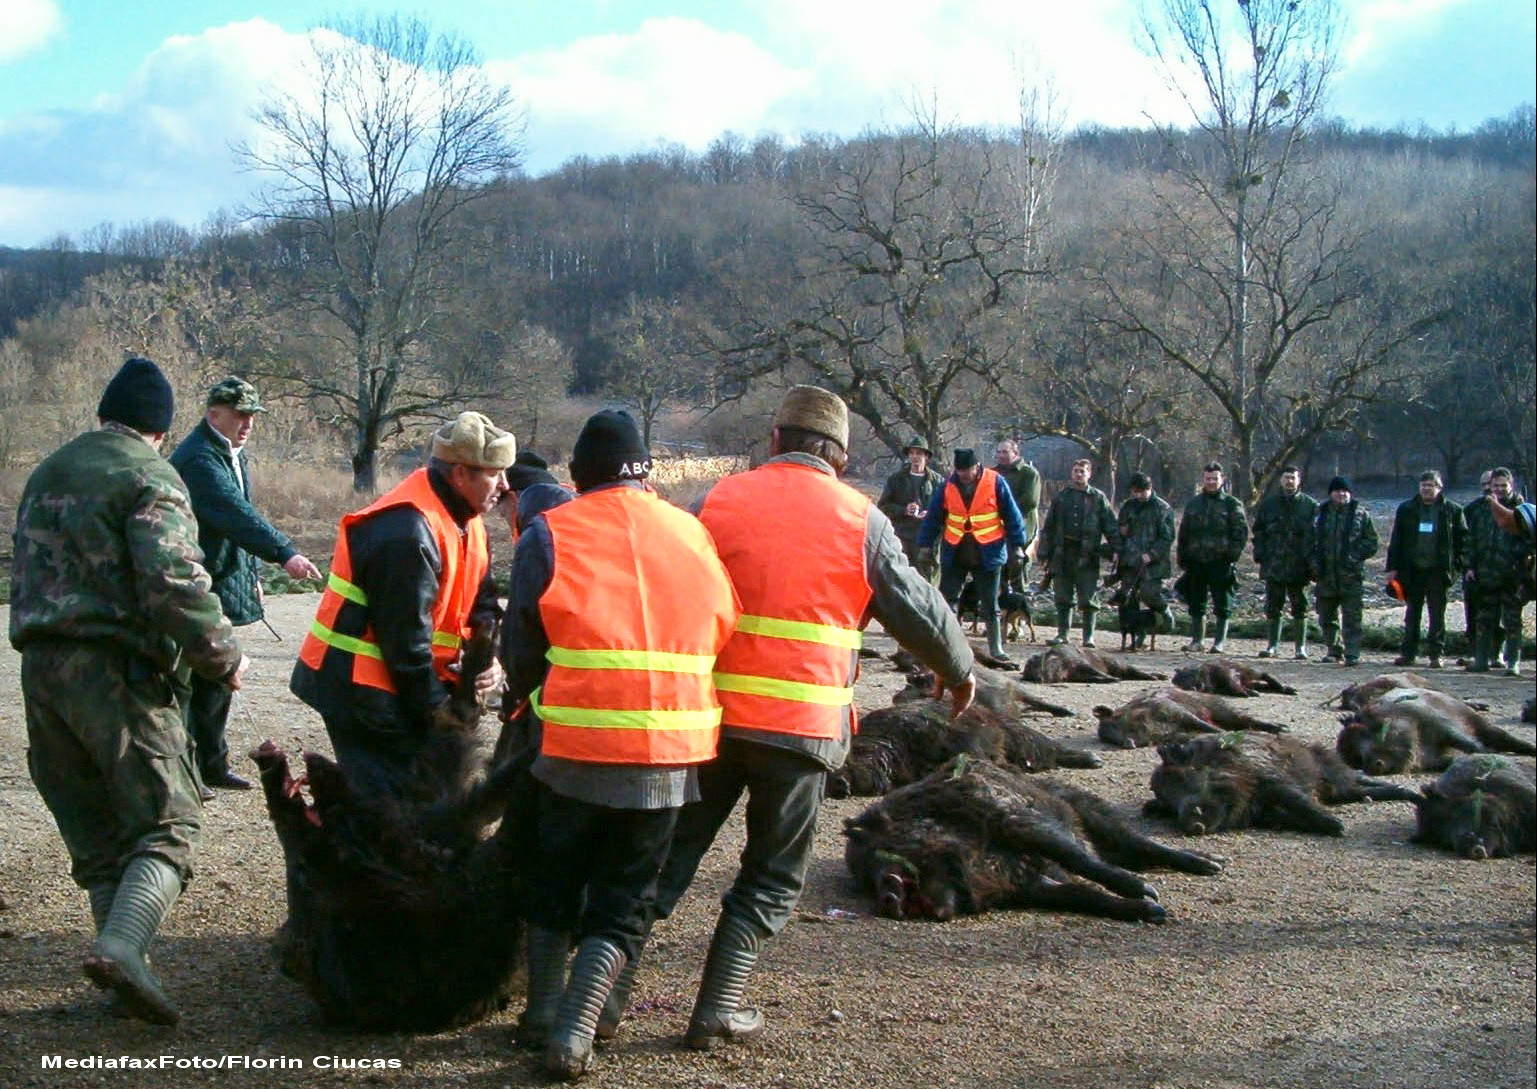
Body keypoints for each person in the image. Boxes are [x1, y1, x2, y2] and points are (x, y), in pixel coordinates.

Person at [603, 386, 975, 1054]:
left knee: (662, 861)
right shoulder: (862, 519)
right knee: (770, 874)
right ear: (838, 454)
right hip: (800, 730)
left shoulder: (717, 499)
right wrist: (958, 668)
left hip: (706, 720)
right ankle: (717, 1008)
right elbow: (918, 608)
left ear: (774, 441)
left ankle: (596, 1004)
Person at [501, 409, 741, 1080]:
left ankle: (544, 1011)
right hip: (668, 753)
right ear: (647, 473)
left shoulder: (551, 529)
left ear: (577, 476)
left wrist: (530, 697)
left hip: (573, 748)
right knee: (626, 894)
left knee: (554, 876)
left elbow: (521, 644)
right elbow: (723, 621)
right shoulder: (692, 533)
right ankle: (577, 1031)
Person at [8, 357, 249, 1025]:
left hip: (41, 671)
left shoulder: (49, 469)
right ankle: (122, 943)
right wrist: (222, 657)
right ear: (162, 431)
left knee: (101, 839)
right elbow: (172, 581)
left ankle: (120, 972)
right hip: (116, 673)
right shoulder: (150, 476)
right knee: (168, 824)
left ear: (104, 414)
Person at [290, 411, 512, 799]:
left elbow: (485, 603)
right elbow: (405, 644)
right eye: (495, 473)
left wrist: (489, 658)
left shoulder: (465, 518)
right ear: (460, 474)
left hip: (394, 682)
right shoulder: (406, 532)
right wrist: (439, 715)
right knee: (391, 811)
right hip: (362, 689)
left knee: (409, 805)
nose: (505, 486)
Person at [168, 377, 321, 794]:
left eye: (252, 415)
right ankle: (189, 772)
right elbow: (233, 515)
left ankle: (210, 766)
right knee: (188, 682)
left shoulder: (232, 453)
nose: (248, 422)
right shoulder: (200, 459)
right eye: (240, 414)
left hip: (216, 578)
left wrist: (251, 576)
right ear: (212, 413)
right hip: (194, 584)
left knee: (214, 680)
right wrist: (284, 552)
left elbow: (238, 519)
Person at [915, 447, 1030, 663]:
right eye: (960, 472)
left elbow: (1012, 515)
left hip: (989, 552)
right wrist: (925, 545)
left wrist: (1018, 546)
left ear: (977, 467)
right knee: (948, 600)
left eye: (967, 471)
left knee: (990, 603)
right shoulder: (947, 485)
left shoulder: (995, 482)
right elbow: (933, 517)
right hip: (955, 551)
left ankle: (996, 648)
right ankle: (946, 645)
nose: (964, 476)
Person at [1385, 470, 1467, 669]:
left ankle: (1435, 655)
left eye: (1431, 485)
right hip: (1412, 570)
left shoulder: (1453, 511)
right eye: (1424, 485)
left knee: (1437, 615)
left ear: (1439, 488)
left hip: (1438, 571)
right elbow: (1396, 540)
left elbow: (1463, 541)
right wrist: (1392, 568)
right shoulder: (1406, 509)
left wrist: (1456, 567)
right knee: (1412, 613)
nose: (1427, 489)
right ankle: (1408, 653)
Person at [1038, 458, 1118, 647]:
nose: (1078, 474)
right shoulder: (1061, 497)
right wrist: (1043, 553)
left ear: (1089, 474)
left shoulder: (1098, 498)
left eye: (1082, 471)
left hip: (1088, 554)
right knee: (1062, 596)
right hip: (1062, 553)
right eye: (1075, 470)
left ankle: (1088, 637)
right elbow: (1049, 526)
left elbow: (1111, 526)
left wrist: (1116, 549)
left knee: (1088, 597)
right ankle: (1062, 634)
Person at [1463, 467, 1531, 675]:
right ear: (1490, 486)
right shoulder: (1481, 509)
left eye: (1504, 485)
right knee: (1483, 619)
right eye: (1496, 486)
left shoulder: (1522, 509)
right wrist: (1469, 566)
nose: (1500, 489)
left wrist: (1521, 565)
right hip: (1486, 573)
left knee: (1512, 620)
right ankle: (1481, 660)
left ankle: (1513, 663)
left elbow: (1529, 541)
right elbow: (1470, 540)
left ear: (1511, 486)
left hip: (1512, 574)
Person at [1176, 461, 1249, 653]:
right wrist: (1182, 557)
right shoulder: (1194, 504)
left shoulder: (1232, 504)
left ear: (1222, 480)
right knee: (1196, 603)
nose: (1211, 482)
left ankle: (1219, 642)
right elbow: (1184, 532)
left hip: (1221, 562)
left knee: (1222, 603)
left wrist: (1231, 556)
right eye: (1207, 479)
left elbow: (1241, 532)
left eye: (1214, 479)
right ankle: (1197, 641)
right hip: (1196, 561)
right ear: (1203, 480)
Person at [1250, 465, 1319, 659]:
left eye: (1293, 478)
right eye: (1286, 477)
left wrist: (1312, 563)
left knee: (1301, 607)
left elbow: (1316, 536)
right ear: (1281, 480)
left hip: (1300, 565)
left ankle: (1300, 648)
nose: (1289, 481)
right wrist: (1261, 554)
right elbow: (1259, 532)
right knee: (1273, 606)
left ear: (1299, 480)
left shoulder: (1310, 506)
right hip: (1274, 564)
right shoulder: (1268, 505)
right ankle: (1272, 646)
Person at [1311, 475, 1379, 666]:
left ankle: (1352, 652)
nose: (1342, 494)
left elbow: (1371, 542)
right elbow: (1309, 541)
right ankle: (1333, 650)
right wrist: (1313, 564)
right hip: (1325, 574)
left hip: (1350, 575)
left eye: (1345, 491)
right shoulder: (1319, 513)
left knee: (1352, 616)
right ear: (1331, 493)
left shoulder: (1360, 514)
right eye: (1337, 491)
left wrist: (1353, 557)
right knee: (1326, 616)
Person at [1112, 472, 1176, 649]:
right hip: (1129, 562)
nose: (1138, 495)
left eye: (1141, 492)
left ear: (1149, 489)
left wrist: (1153, 554)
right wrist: (1117, 549)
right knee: (1129, 601)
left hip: (1153, 564)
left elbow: (1168, 537)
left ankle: (1164, 611)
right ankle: (1139, 636)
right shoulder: (1128, 507)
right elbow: (1120, 531)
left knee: (1149, 594)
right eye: (1134, 492)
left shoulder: (1162, 508)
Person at [876, 436, 944, 572]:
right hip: (901, 539)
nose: (914, 457)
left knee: (925, 583)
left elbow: (946, 509)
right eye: (912, 453)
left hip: (927, 542)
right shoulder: (896, 480)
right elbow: (882, 507)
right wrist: (904, 510)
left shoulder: (938, 482)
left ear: (926, 456)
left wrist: (930, 515)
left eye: (918, 453)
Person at [992, 438, 1042, 593]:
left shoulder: (1029, 474)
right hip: (995, 530)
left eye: (1005, 452)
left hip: (1021, 530)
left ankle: (1020, 609)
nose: (1001, 455)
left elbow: (1029, 501)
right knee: (998, 572)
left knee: (1018, 568)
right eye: (999, 452)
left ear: (1016, 453)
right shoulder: (992, 474)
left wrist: (1005, 514)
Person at [1461, 469, 1494, 661]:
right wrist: (1467, 566)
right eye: (1484, 485)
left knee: (1501, 617)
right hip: (1475, 571)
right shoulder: (1472, 509)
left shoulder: (1516, 507)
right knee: (1473, 614)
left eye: (1491, 483)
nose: (1488, 488)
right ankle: (1474, 652)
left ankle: (1498, 653)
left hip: (1503, 571)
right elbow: (1465, 540)